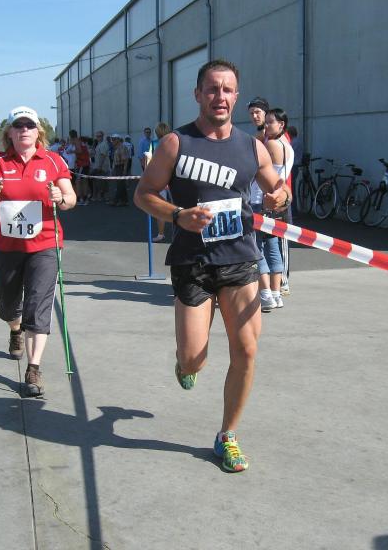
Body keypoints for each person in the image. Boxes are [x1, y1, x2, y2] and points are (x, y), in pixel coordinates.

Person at [134, 59, 291, 473]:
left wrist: (280, 198)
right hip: (193, 262)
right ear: (198, 94)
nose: (219, 96)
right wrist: (177, 215)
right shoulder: (176, 143)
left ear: (236, 96)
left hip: (239, 259)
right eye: (212, 89)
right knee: (194, 360)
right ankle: (184, 364)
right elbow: (143, 194)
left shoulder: (252, 147)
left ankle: (227, 436)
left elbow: (279, 189)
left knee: (247, 350)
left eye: (227, 89)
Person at [0, 106, 76, 397]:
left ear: (38, 131)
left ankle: (34, 368)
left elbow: (71, 199)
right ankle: (15, 328)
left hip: (45, 244)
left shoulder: (53, 161)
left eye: (30, 125)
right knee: (7, 302)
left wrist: (60, 197)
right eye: (19, 125)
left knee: (38, 305)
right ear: (10, 133)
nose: (24, 129)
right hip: (7, 246)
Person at [255, 108, 293, 311]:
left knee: (257, 247)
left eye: (270, 122)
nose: (266, 126)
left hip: (261, 199)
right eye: (266, 122)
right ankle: (277, 294)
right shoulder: (287, 145)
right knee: (273, 247)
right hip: (278, 200)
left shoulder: (270, 144)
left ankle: (265, 294)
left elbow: (258, 169)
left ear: (281, 124)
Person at [150, 122, 172, 242]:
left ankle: (161, 234)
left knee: (160, 208)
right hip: (172, 179)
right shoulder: (174, 142)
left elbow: (150, 160)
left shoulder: (155, 144)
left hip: (161, 180)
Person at [110, 134, 129, 206]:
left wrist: (124, 170)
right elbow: (114, 160)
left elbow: (125, 160)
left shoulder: (122, 147)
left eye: (114, 139)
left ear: (118, 139)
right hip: (117, 167)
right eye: (112, 139)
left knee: (120, 185)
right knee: (121, 184)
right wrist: (113, 168)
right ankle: (124, 201)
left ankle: (116, 201)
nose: (112, 141)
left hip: (121, 167)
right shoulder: (116, 148)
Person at [90, 131, 110, 201]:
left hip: (102, 166)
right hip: (98, 165)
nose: (98, 137)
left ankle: (105, 197)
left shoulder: (103, 144)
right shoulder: (98, 144)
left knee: (103, 182)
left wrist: (100, 166)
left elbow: (102, 156)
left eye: (100, 136)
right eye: (97, 136)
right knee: (98, 182)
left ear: (102, 136)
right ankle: (100, 196)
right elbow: (95, 154)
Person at [75, 135, 91, 205]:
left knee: (79, 182)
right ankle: (85, 198)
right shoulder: (86, 147)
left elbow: (79, 153)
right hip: (85, 165)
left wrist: (72, 151)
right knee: (84, 182)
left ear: (81, 141)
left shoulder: (81, 147)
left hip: (82, 166)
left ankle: (81, 199)